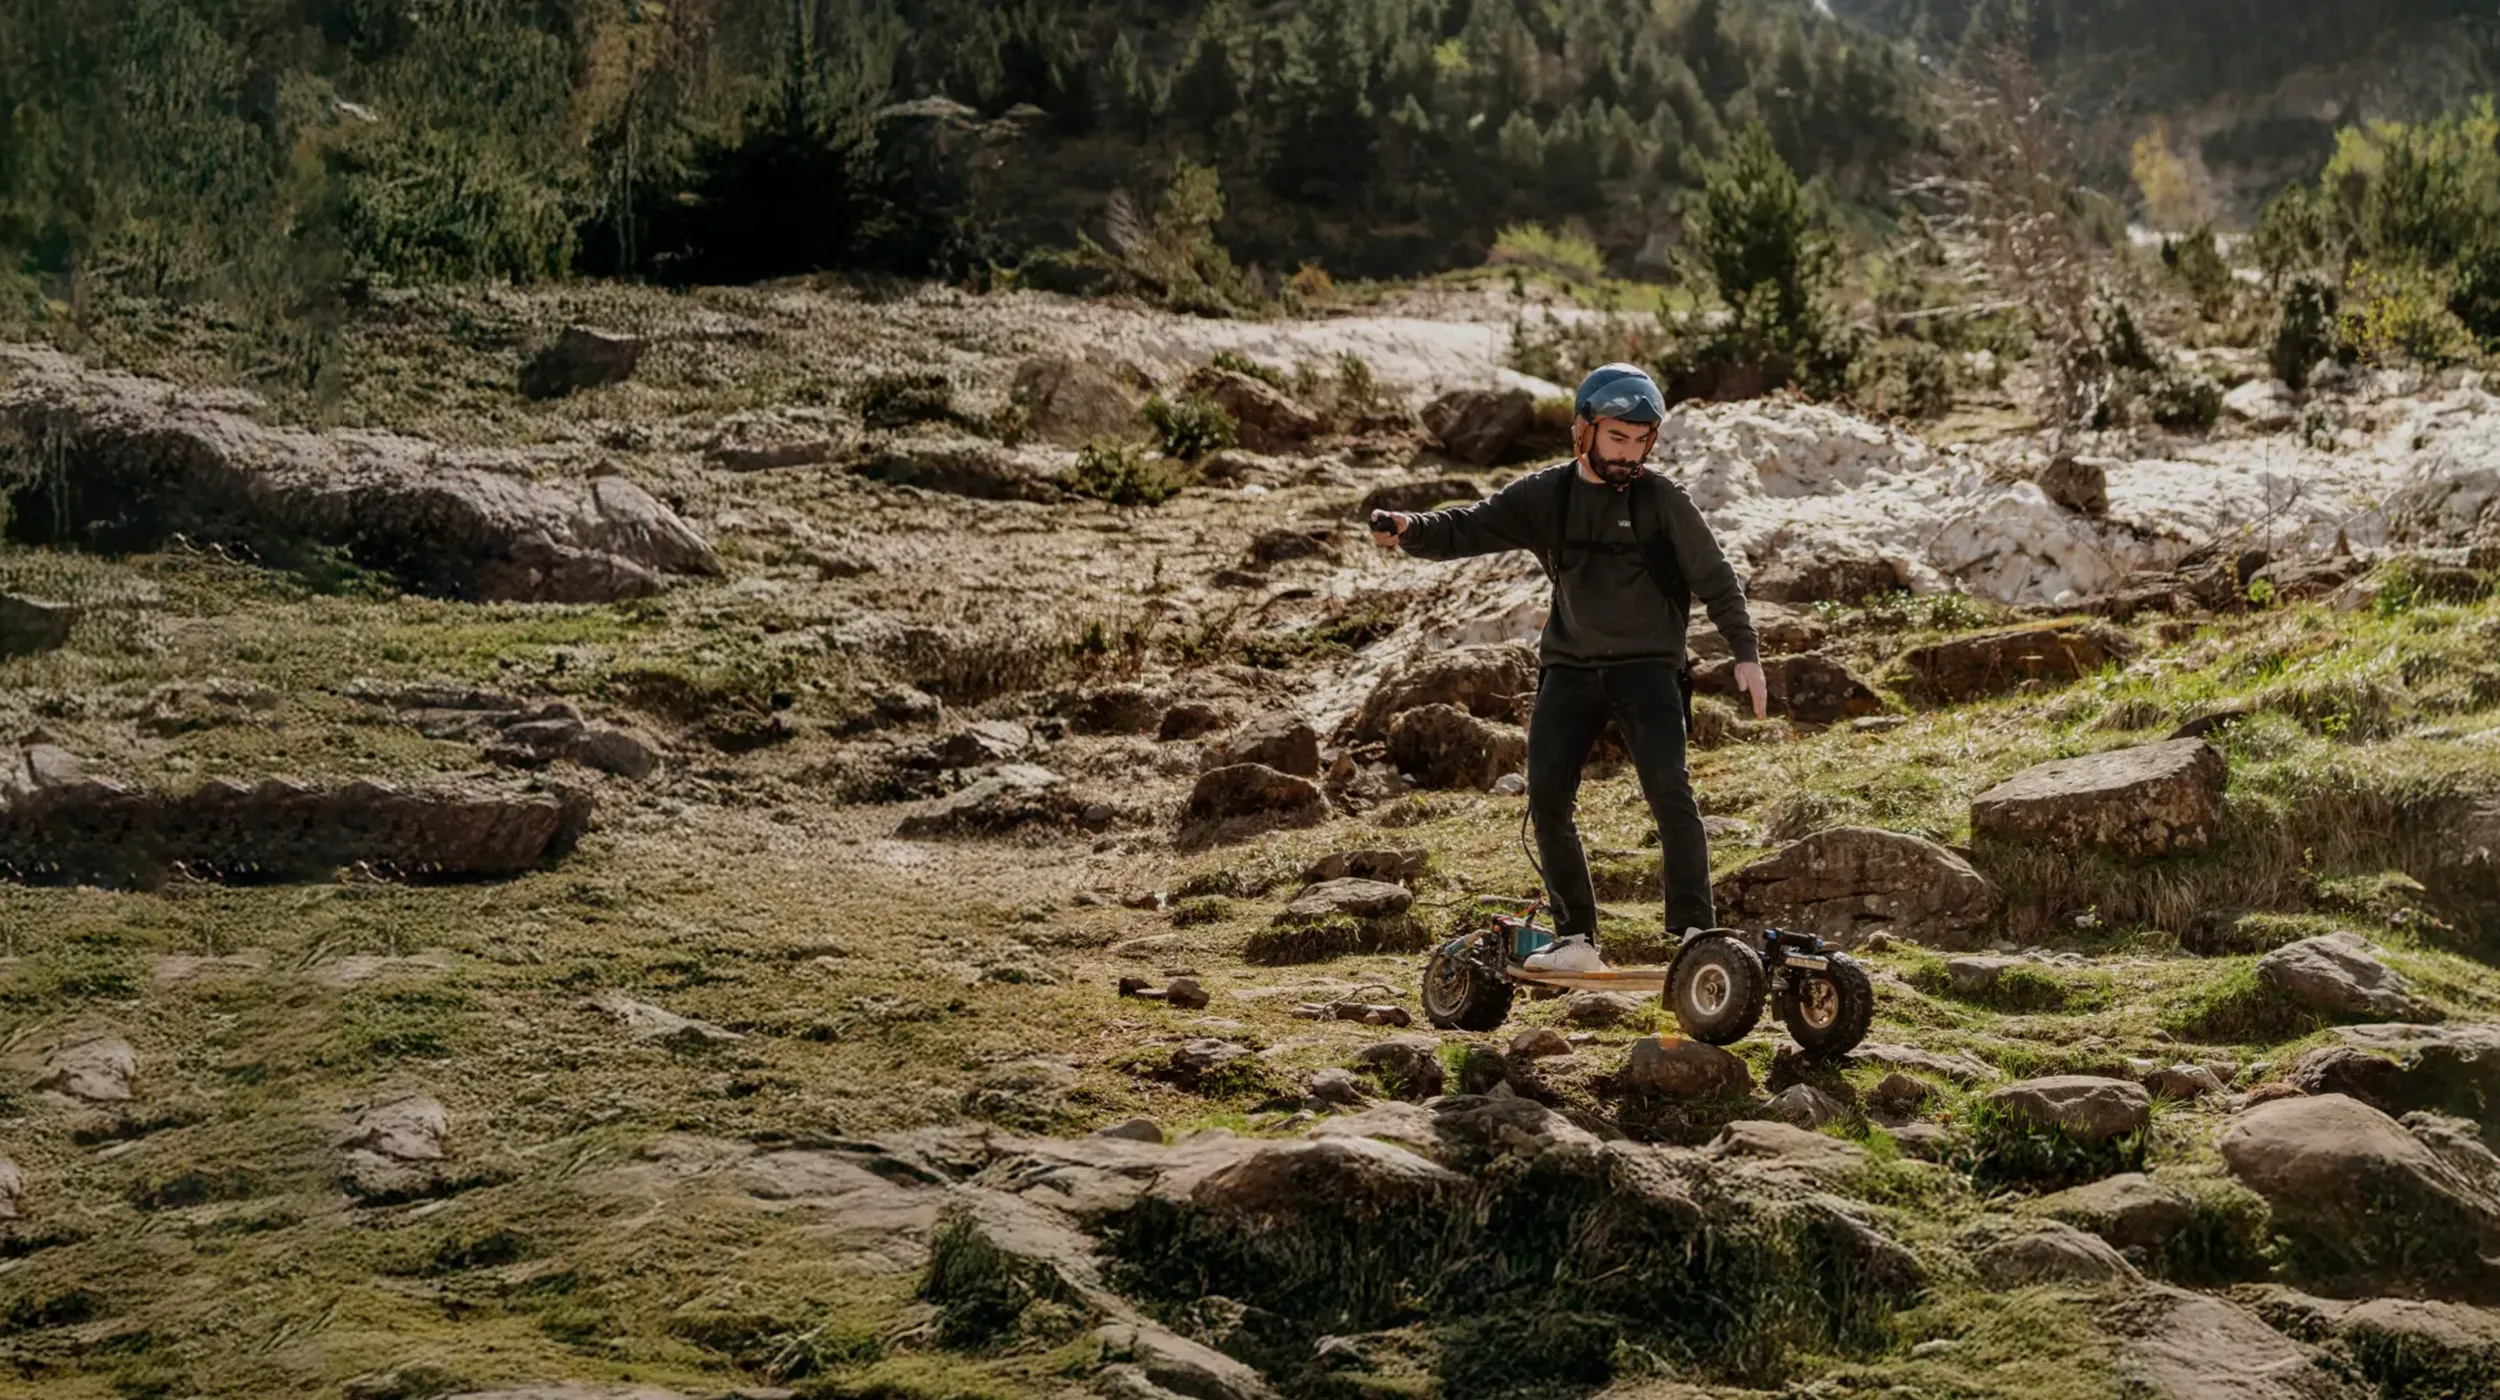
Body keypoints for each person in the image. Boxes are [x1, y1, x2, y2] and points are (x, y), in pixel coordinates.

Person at [1371, 363, 1766, 974]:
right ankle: (1576, 941)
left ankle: (1695, 936)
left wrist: (1746, 653)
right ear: (1584, 431)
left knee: (1670, 794)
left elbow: (1717, 580)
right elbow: (1468, 526)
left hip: (1649, 671)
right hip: (1570, 671)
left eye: (1642, 441)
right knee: (1548, 801)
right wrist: (1410, 529)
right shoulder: (1545, 496)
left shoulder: (1664, 501)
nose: (1630, 454)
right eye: (1618, 439)